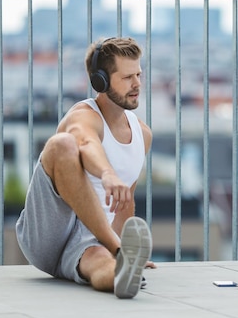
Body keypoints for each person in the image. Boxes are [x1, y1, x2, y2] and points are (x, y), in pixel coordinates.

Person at [16, 37, 155, 299]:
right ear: (100, 81)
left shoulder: (142, 134)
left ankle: (122, 276)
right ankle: (118, 251)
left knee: (101, 261)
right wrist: (107, 173)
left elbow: (125, 201)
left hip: (91, 237)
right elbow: (85, 142)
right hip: (48, 231)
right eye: (127, 77)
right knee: (62, 145)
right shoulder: (83, 115)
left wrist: (126, 249)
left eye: (138, 74)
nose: (137, 83)